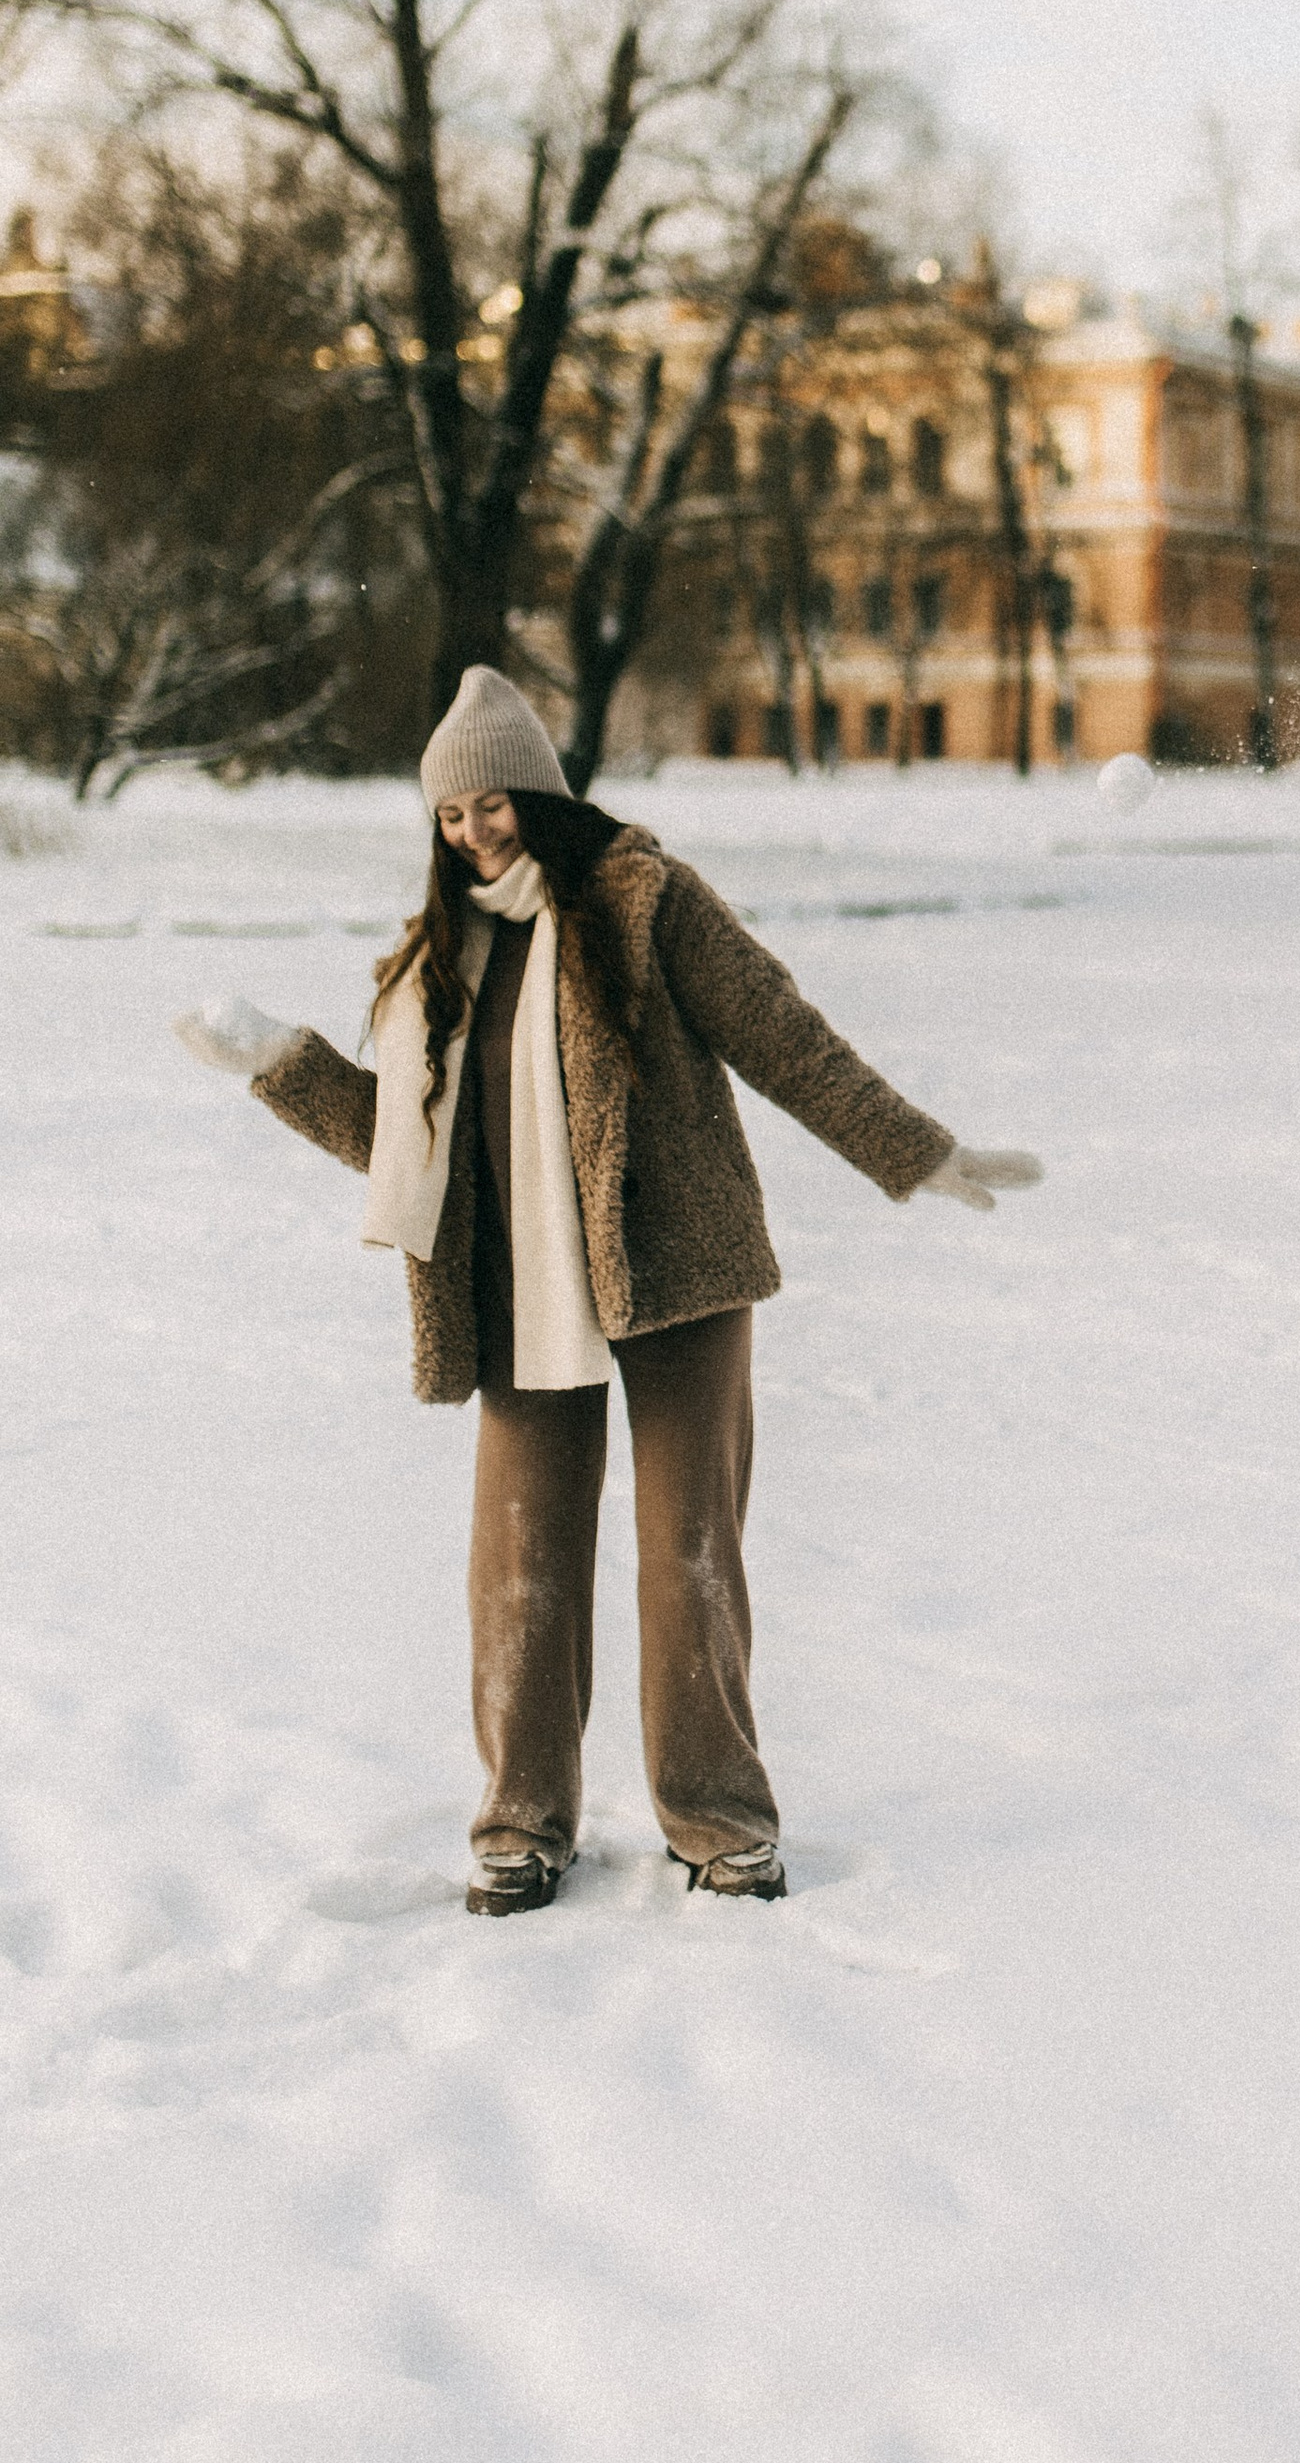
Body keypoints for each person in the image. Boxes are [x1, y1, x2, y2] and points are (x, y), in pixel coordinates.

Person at [175, 668, 1039, 1919]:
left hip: (679, 1267)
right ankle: (522, 1824)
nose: (473, 831)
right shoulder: (437, 963)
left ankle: (720, 1823)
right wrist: (277, 1063)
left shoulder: (646, 901)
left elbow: (784, 1037)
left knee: (689, 1552)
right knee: (519, 1566)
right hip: (520, 1286)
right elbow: (408, 1150)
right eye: (450, 814)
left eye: (491, 803)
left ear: (538, 787)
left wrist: (915, 1151)